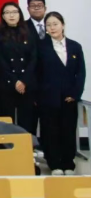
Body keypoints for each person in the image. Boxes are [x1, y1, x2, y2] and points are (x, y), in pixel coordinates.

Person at [38, 12, 86, 176]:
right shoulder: (41, 47)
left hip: (69, 97)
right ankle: (54, 163)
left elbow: (81, 73)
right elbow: (37, 72)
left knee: (68, 130)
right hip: (48, 97)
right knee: (50, 131)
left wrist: (75, 93)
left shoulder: (75, 46)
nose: (52, 28)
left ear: (63, 25)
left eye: (55, 24)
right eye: (48, 25)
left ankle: (68, 163)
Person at [0, 2, 37, 134]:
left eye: (14, 12)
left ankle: (27, 145)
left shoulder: (29, 33)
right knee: (7, 121)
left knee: (27, 121)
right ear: (2, 16)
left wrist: (24, 81)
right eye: (7, 13)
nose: (11, 15)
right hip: (7, 83)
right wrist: (15, 81)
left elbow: (33, 59)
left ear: (20, 14)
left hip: (26, 84)